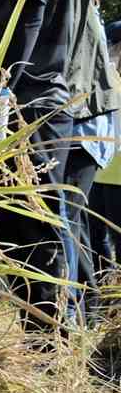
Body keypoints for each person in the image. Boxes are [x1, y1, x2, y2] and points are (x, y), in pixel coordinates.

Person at [0, 0, 103, 335]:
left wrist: (1, 84)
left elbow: (30, 11)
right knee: (12, 225)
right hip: (45, 98)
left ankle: (49, 344)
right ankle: (39, 336)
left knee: (34, 227)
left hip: (33, 99)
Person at [87, 20, 121, 291]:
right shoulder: (103, 77)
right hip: (98, 170)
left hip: (115, 174)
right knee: (95, 240)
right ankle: (106, 301)